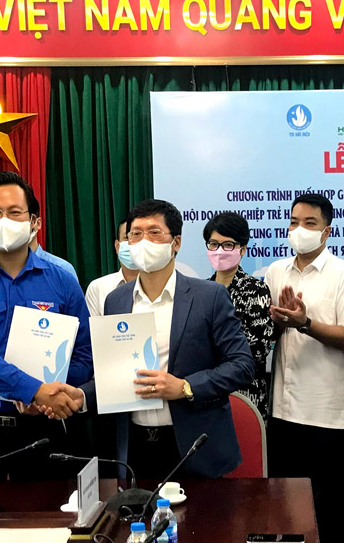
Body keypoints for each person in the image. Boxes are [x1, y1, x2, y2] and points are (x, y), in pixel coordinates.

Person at [77, 199, 254, 479]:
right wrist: (81, 396)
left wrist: (185, 387)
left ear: (176, 243)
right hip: (134, 447)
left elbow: (241, 365)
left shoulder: (209, 297)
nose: (143, 241)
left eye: (154, 232)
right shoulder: (115, 300)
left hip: (193, 446)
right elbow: (112, 373)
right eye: (135, 234)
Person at [0, 171, 92, 480]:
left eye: (14, 212)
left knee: (52, 510)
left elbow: (85, 355)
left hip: (46, 429)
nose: (3, 221)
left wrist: (48, 393)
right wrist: (35, 390)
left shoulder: (62, 281)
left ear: (33, 221)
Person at [264, 193, 344, 543]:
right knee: (283, 502)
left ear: (326, 231)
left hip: (324, 412)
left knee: (326, 506)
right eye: (294, 222)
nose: (299, 229)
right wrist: (280, 322)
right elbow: (271, 333)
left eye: (310, 223)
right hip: (282, 408)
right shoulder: (276, 271)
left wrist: (305, 323)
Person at [203, 212, 274, 418]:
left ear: (242, 249)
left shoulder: (256, 290)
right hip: (207, 392)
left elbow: (258, 350)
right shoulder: (202, 290)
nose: (219, 251)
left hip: (246, 394)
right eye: (214, 244)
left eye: (228, 245)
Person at [85, 217, 140, 317]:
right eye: (127, 238)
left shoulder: (158, 287)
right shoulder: (98, 288)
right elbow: (93, 326)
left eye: (137, 237)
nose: (132, 243)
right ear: (117, 246)